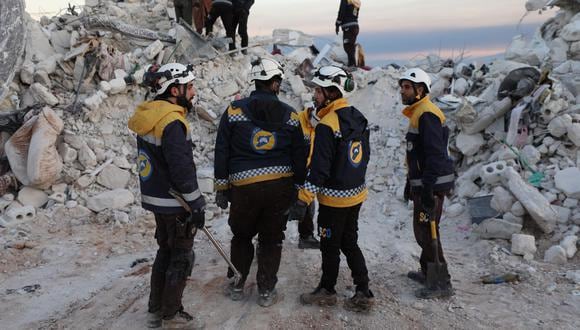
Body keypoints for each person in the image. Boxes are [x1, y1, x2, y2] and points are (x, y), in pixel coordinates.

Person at [213, 57, 307, 307]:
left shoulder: (234, 111)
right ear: (275, 84)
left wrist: (222, 187)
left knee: (242, 236)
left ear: (256, 81)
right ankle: (265, 291)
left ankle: (237, 284)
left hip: (244, 188)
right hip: (279, 188)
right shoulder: (291, 115)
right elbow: (299, 156)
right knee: (271, 238)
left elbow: (222, 150)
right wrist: (300, 192)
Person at [128, 63, 206, 329]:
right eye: (190, 86)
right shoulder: (173, 122)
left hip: (156, 199)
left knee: (165, 251)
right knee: (181, 256)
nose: (194, 91)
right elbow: (181, 168)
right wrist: (196, 204)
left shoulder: (149, 116)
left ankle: (155, 310)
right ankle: (171, 315)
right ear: (175, 90)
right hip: (176, 202)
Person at [293, 66, 374, 312]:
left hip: (333, 201)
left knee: (329, 245)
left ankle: (327, 290)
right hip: (355, 195)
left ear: (330, 92)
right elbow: (365, 157)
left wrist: (303, 199)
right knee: (350, 241)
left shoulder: (327, 125)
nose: (314, 96)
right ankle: (364, 290)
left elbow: (319, 169)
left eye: (318, 91)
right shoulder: (359, 117)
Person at [398, 68, 455, 299]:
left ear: (420, 89)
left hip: (432, 185)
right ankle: (427, 271)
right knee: (423, 229)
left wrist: (428, 187)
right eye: (402, 87)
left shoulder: (426, 114)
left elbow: (434, 155)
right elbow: (417, 155)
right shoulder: (419, 112)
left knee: (427, 232)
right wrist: (411, 182)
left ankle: (441, 283)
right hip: (423, 183)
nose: (402, 91)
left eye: (407, 87)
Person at [292, 105, 321, 249]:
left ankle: (306, 236)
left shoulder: (321, 128)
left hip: (308, 175)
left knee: (309, 206)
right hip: (291, 174)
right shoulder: (297, 121)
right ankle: (267, 240)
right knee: (280, 209)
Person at [335, 0, 361, 68]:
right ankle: (352, 64)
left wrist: (337, 24)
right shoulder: (356, 1)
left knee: (348, 47)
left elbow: (341, 11)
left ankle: (352, 65)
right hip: (355, 26)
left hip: (348, 27)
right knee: (351, 46)